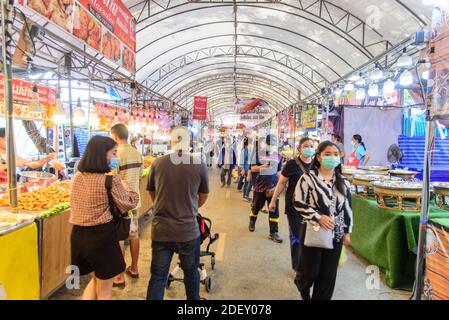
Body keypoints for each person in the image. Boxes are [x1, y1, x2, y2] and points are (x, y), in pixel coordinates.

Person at [70, 136, 139, 300]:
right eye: (114, 153)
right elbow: (129, 204)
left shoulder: (77, 177)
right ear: (102, 155)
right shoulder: (110, 179)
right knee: (105, 291)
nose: (116, 158)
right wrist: (128, 188)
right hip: (101, 238)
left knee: (96, 280)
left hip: (78, 237)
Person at [146, 126, 209, 300]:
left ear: (171, 141)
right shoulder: (199, 164)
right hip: (188, 231)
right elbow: (203, 196)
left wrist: (163, 204)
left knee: (158, 277)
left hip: (161, 231)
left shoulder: (157, 163)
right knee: (191, 273)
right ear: (189, 142)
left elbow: (152, 193)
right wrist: (191, 207)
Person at [293, 140, 353, 300]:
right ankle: (302, 285)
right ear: (318, 157)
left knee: (328, 276)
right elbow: (298, 202)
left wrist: (347, 231)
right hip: (313, 230)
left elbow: (348, 209)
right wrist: (318, 217)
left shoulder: (344, 182)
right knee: (309, 273)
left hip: (336, 233)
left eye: (335, 154)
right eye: (327, 154)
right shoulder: (307, 178)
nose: (332, 157)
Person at [268, 137, 315, 272]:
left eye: (312, 146)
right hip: (294, 208)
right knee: (297, 237)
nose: (309, 148)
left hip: (312, 208)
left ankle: (307, 263)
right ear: (299, 148)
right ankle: (297, 266)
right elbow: (281, 183)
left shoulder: (317, 165)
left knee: (310, 238)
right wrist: (273, 201)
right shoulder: (292, 165)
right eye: (306, 146)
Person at [110, 124, 144, 287]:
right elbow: (139, 179)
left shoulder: (116, 154)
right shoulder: (137, 153)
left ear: (115, 137)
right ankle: (135, 268)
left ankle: (119, 276)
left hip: (119, 204)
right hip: (134, 201)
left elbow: (112, 178)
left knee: (119, 238)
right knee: (134, 234)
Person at [248, 134, 283, 243]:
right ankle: (252, 221)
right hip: (259, 187)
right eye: (270, 143)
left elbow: (279, 172)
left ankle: (274, 233)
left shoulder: (279, 156)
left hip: (273, 188)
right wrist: (262, 167)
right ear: (266, 143)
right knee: (256, 207)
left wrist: (279, 185)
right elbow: (252, 169)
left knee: (273, 210)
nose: (271, 145)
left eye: (273, 144)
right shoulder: (258, 155)